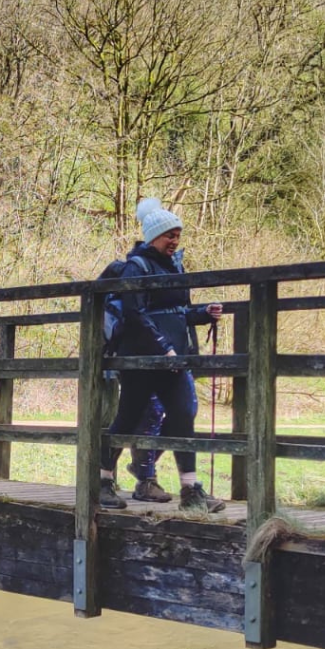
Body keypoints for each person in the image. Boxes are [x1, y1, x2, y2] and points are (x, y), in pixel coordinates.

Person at [101, 199, 225, 513]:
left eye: (178, 234)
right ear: (154, 235)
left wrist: (203, 313)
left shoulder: (176, 266)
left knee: (184, 415)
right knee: (127, 420)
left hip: (173, 360)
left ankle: (191, 491)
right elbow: (135, 313)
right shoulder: (137, 266)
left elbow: (177, 312)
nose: (175, 240)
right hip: (142, 359)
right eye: (170, 234)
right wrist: (163, 347)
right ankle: (102, 482)